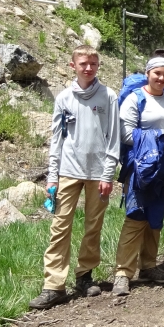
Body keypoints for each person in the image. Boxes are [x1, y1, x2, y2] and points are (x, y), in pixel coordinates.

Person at [30, 46, 120, 309]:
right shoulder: (64, 98)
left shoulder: (108, 96)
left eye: (93, 63)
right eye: (83, 64)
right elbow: (56, 140)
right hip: (68, 171)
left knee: (93, 225)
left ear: (98, 65)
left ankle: (85, 275)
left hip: (98, 173)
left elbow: (113, 138)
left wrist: (108, 173)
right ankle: (53, 285)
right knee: (60, 227)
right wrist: (52, 176)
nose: (88, 68)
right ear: (73, 66)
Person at [111, 57, 164, 295]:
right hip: (140, 169)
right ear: (148, 73)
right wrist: (160, 138)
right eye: (157, 73)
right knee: (136, 217)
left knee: (156, 216)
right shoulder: (135, 99)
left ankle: (149, 266)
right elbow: (125, 133)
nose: (161, 78)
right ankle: (123, 273)